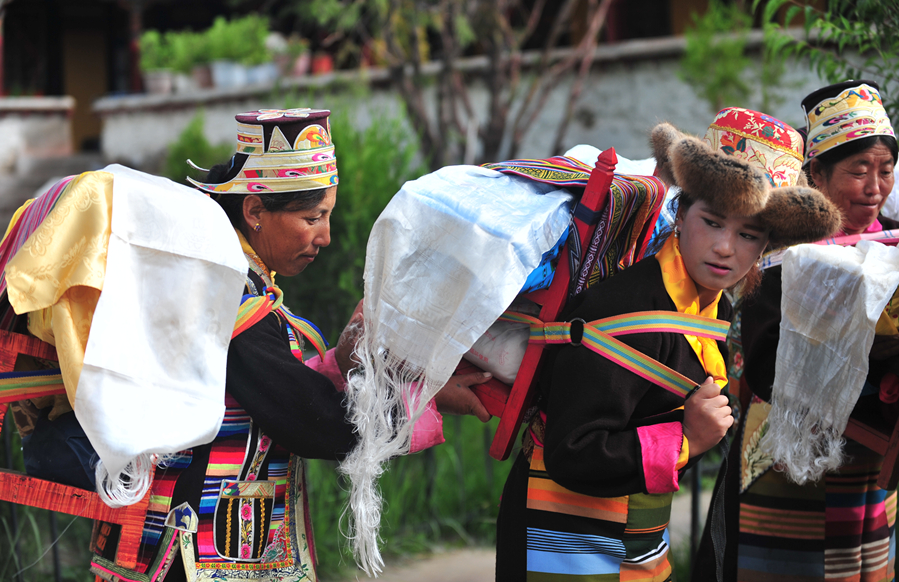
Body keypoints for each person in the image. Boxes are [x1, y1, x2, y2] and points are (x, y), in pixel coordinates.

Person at [4, 108, 490, 581]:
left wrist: (349, 362)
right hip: (194, 555)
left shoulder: (235, 287)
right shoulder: (220, 293)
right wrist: (420, 392)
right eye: (311, 216)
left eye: (327, 216)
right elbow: (311, 421)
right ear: (255, 210)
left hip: (196, 549)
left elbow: (264, 392)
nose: (324, 236)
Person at [493, 107, 841, 581]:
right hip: (557, 529)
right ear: (680, 211)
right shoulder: (626, 308)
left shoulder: (710, 307)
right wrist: (687, 439)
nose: (725, 247)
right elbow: (572, 449)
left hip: (635, 535)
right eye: (714, 222)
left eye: (748, 235)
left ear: (765, 248)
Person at [692, 81, 899, 582]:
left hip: (871, 473)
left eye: (885, 171)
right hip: (786, 465)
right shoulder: (784, 255)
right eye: (858, 171)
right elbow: (764, 366)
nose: (874, 187)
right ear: (816, 175)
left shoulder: (891, 249)